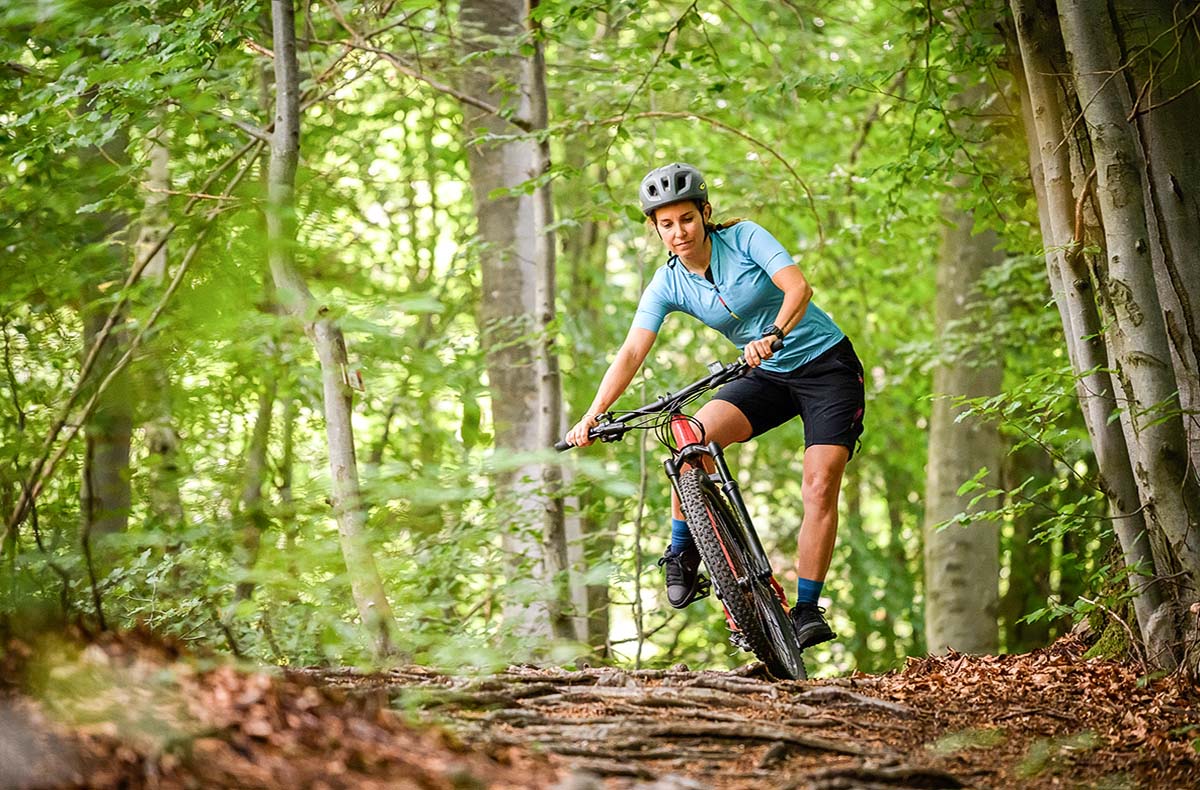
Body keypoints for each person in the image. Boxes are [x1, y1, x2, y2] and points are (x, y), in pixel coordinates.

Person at [564, 162, 865, 650]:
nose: (678, 232)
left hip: (826, 368)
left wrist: (774, 334)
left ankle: (806, 611)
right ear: (656, 230)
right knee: (690, 438)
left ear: (704, 214)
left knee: (819, 483)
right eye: (666, 224)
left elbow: (798, 287)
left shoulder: (745, 238)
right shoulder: (668, 283)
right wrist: (592, 413)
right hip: (765, 374)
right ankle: (684, 550)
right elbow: (632, 352)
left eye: (686, 219)